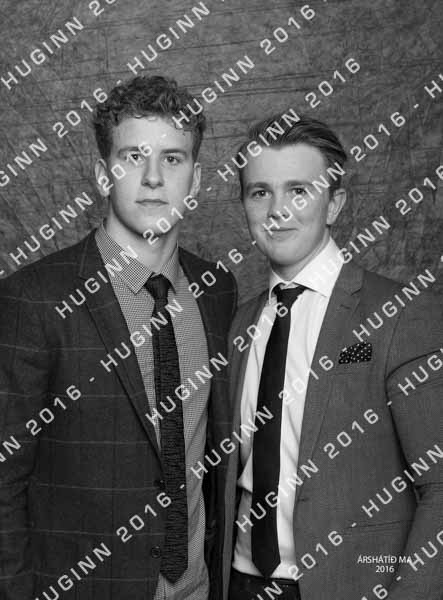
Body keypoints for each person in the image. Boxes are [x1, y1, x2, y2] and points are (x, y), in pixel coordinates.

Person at [0, 75, 237, 600]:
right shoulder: (33, 299)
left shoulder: (217, 290)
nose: (153, 178)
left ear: (196, 179)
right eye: (133, 157)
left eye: (172, 159)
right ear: (102, 173)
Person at [222, 114, 443, 600]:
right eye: (260, 192)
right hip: (239, 583)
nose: (278, 210)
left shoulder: (401, 314)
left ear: (335, 203)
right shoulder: (237, 325)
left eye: (299, 190)